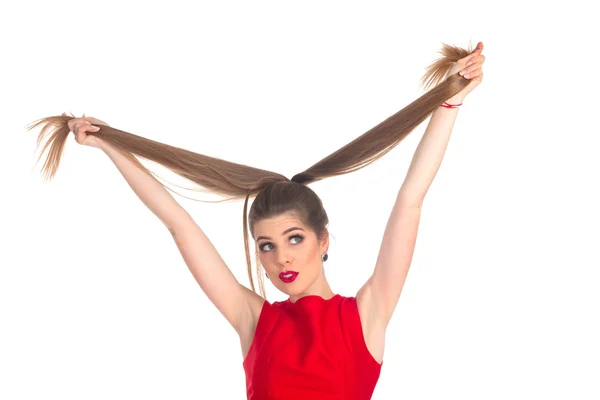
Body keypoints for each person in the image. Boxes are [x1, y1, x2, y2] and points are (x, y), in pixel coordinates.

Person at [27, 42, 485, 399]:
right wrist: (111, 147)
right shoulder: (254, 320)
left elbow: (410, 201)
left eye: (293, 238)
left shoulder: (366, 314)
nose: (281, 257)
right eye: (266, 246)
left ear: (324, 240)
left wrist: (450, 104)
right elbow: (180, 225)